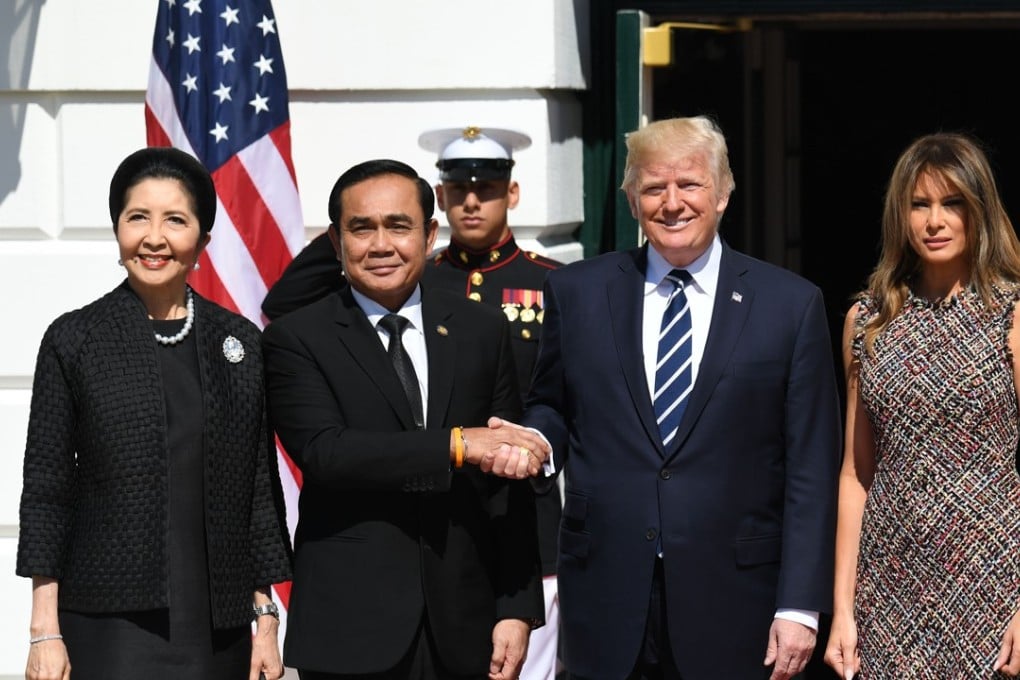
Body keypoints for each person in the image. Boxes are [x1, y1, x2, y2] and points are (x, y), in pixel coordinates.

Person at [513, 115, 842, 679]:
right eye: (653, 187)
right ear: (632, 200)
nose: (672, 203)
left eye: (688, 184)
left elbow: (811, 467)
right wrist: (537, 440)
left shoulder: (790, 304)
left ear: (722, 193)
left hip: (739, 602)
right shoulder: (577, 292)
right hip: (608, 597)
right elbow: (552, 405)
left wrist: (799, 606)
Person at [260, 126, 567, 680]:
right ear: (335, 242)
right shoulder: (297, 337)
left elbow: (507, 487)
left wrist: (517, 608)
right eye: (362, 228)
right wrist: (456, 445)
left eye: (399, 226)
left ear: (429, 235)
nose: (381, 244)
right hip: (352, 626)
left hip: (467, 624)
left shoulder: (479, 329)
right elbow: (327, 454)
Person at [16, 146, 294, 680]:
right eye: (137, 217)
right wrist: (43, 629)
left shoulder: (237, 341)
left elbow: (258, 490)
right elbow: (47, 489)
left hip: (221, 624)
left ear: (202, 241)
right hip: (108, 619)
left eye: (175, 220)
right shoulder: (74, 339)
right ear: (117, 230)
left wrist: (265, 620)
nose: (154, 237)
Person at [823, 132, 1020, 679]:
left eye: (952, 203)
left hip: (995, 580)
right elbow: (855, 474)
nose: (935, 221)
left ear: (978, 210)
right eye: (919, 205)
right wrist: (842, 609)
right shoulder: (867, 320)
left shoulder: (1012, 314)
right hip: (888, 586)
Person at [419, 125, 564, 680]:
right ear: (441, 197)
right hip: (438, 510)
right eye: (458, 191)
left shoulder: (553, 283)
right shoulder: (420, 281)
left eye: (488, 189)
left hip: (526, 515)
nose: (472, 201)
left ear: (514, 194)